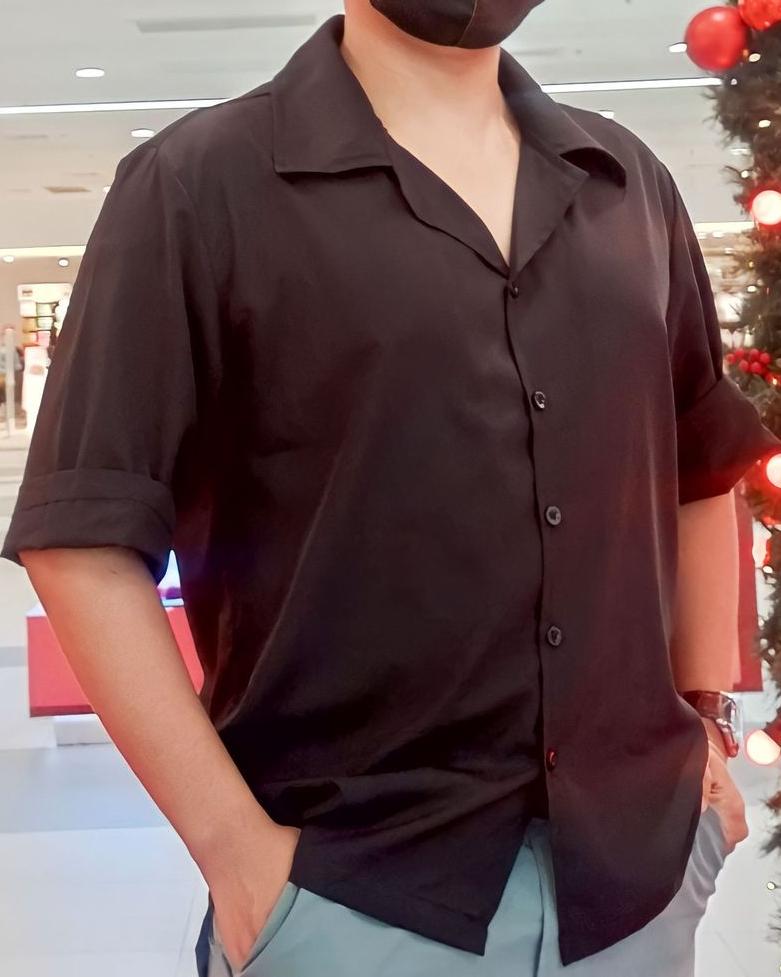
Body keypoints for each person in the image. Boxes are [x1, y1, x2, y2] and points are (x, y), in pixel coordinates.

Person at [2, 3, 780, 975]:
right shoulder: (196, 185)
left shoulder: (627, 185)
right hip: (347, 895)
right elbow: (81, 536)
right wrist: (236, 857)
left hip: (635, 887)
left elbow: (703, 466)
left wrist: (706, 725)